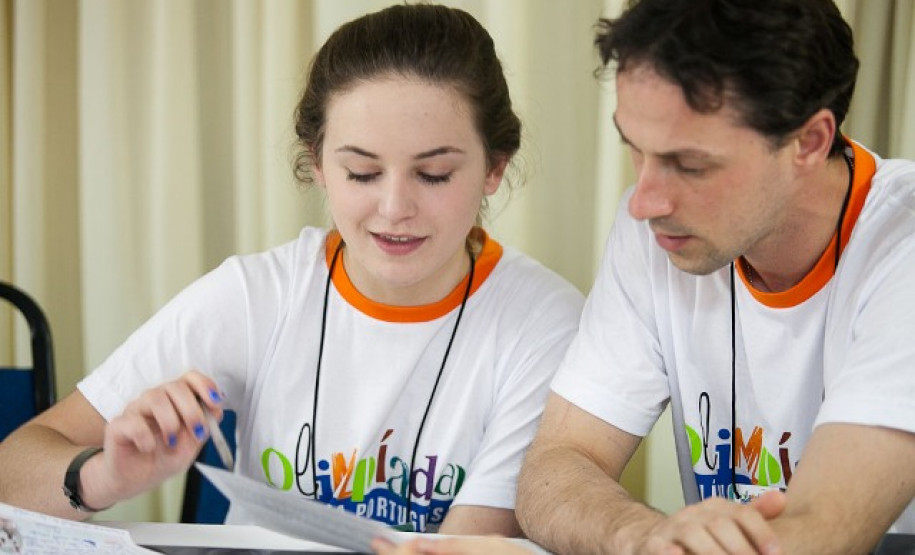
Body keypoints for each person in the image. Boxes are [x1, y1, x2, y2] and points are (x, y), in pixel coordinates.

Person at [0, 4, 584, 537]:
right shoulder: (258, 294)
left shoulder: (543, 322)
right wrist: (104, 476)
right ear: (319, 166)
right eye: (361, 173)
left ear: (494, 168)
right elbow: (14, 468)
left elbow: (466, 545)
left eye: (433, 175)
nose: (394, 208)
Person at [511, 0, 915, 553]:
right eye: (635, 148)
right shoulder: (656, 230)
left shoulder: (903, 245)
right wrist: (643, 534)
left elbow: (816, 535)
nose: (644, 202)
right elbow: (555, 467)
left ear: (809, 142)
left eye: (691, 165)